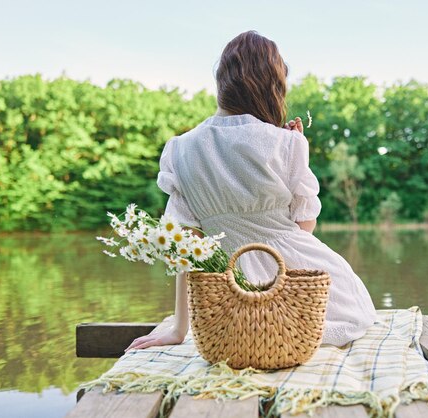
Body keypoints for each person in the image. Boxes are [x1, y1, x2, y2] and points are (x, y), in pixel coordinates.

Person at [126, 30, 376, 351]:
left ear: (222, 83)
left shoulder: (179, 149)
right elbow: (304, 227)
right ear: (272, 85)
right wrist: (297, 147)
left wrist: (179, 329)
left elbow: (186, 246)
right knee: (352, 313)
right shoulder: (287, 142)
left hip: (226, 294)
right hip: (290, 287)